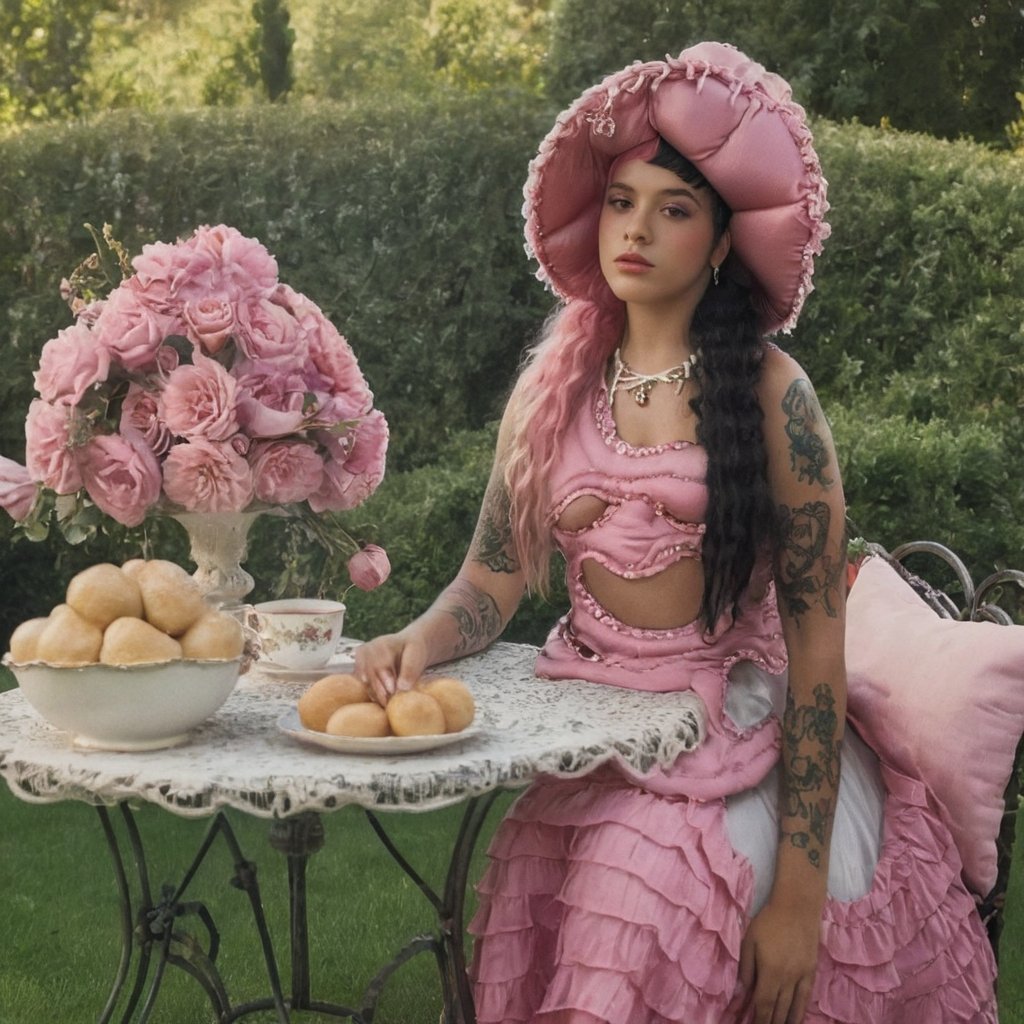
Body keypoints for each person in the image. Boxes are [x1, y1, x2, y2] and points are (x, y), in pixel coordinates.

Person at [354, 42, 997, 1024]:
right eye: (621, 202)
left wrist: (795, 887)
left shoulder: (776, 400)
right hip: (592, 726)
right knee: (542, 863)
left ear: (724, 241)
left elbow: (818, 640)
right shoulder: (551, 391)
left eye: (674, 208)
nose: (637, 229)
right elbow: (490, 578)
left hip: (735, 731)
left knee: (641, 882)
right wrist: (421, 640)